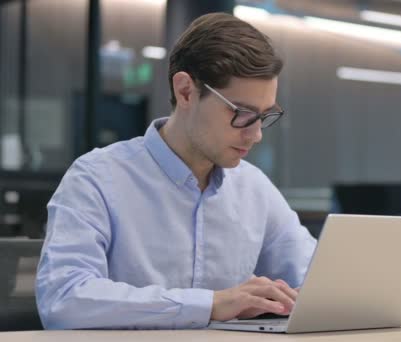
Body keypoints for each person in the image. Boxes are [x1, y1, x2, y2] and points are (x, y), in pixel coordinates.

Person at [35, 12, 317, 329]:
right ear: (185, 91)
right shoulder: (97, 178)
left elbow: (320, 281)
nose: (256, 134)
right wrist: (211, 304)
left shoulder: (254, 188)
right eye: (241, 113)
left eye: (264, 116)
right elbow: (63, 299)